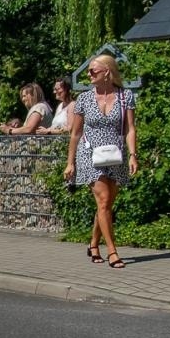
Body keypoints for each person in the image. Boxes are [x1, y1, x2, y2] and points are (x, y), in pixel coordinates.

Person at [65, 53, 138, 270]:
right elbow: (75, 134)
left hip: (115, 154)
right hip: (89, 153)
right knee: (104, 200)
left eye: (93, 71)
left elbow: (130, 129)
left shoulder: (125, 96)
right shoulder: (84, 99)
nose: (89, 75)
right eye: (89, 71)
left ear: (107, 71)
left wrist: (134, 155)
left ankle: (94, 243)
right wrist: (70, 162)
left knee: (106, 204)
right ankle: (112, 251)